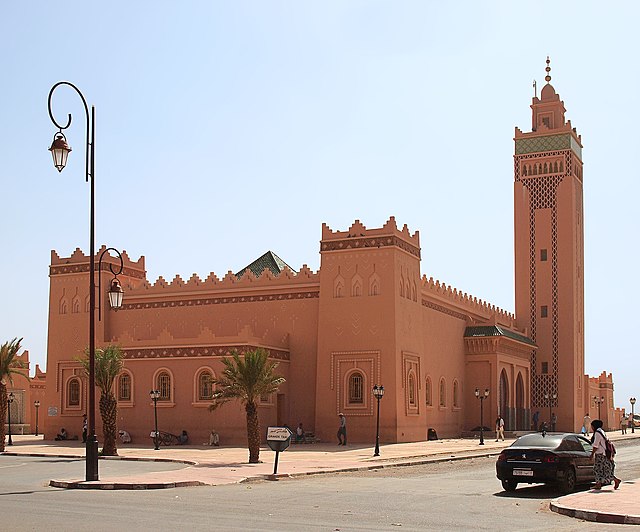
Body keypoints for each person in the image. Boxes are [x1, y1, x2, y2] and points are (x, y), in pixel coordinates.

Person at [590, 419, 621, 490]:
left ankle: (614, 480)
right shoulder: (602, 431)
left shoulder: (597, 433)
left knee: (597, 469)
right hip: (604, 454)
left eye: (592, 426)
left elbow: (595, 445)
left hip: (600, 454)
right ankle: (600, 483)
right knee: (604, 469)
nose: (591, 428)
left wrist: (592, 454)